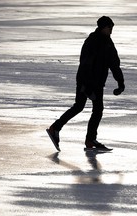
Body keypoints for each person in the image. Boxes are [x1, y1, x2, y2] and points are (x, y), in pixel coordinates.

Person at [47, 16, 125, 151]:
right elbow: (85, 64)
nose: (111, 31)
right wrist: (86, 86)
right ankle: (55, 128)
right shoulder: (92, 42)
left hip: (98, 83)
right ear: (102, 28)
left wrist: (120, 82)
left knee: (97, 110)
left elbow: (114, 64)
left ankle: (90, 139)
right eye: (109, 28)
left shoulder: (108, 42)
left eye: (112, 28)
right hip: (86, 81)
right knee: (80, 106)